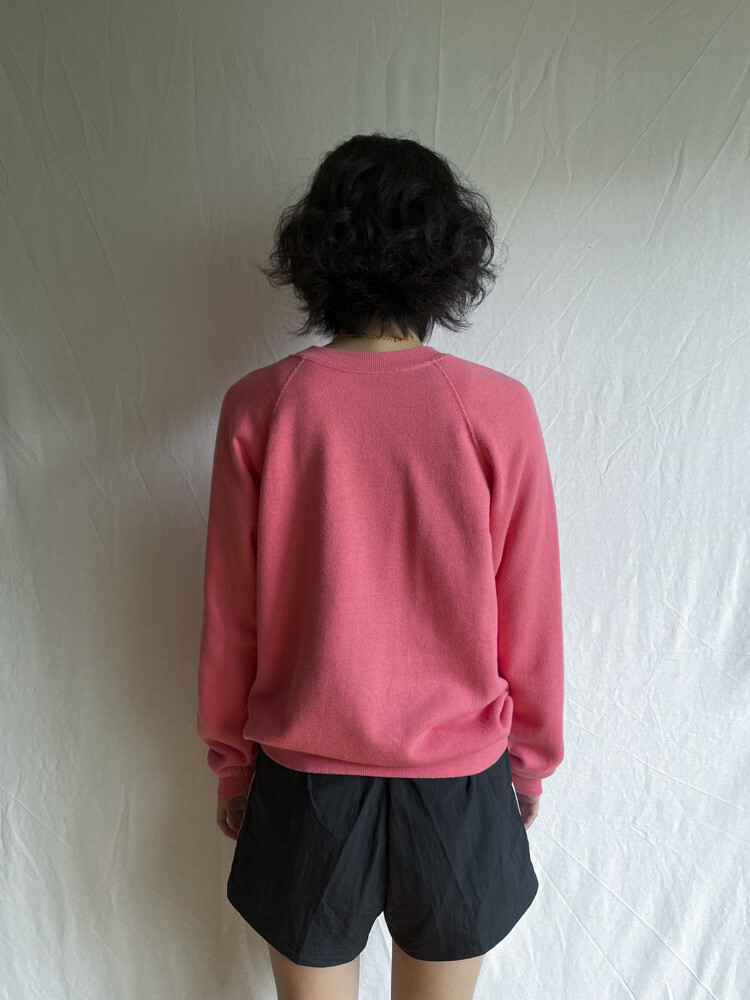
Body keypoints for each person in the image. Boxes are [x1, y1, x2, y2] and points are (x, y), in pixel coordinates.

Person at [196, 132, 565, 1000]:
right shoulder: (497, 410)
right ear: (449, 256)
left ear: (316, 250)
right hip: (459, 782)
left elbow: (231, 613)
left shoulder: (261, 407)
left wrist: (233, 762)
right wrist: (529, 760)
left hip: (306, 780)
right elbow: (531, 607)